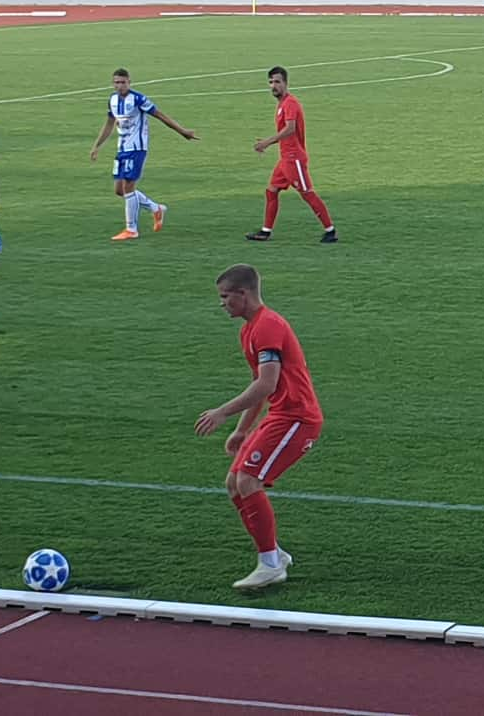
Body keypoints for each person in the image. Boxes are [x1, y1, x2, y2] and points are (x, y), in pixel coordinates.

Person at [196, 264, 324, 590]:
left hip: (298, 418)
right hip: (281, 415)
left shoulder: (268, 326)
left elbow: (267, 384)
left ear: (243, 294)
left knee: (248, 480)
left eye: (225, 296)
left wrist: (223, 412)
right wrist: (241, 430)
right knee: (234, 483)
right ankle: (274, 555)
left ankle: (270, 563)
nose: (221, 303)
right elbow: (259, 384)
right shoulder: (249, 330)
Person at [89, 68, 199, 241]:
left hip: (137, 148)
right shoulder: (112, 100)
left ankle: (131, 229)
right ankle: (156, 208)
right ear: (113, 83)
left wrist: (182, 131)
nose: (120, 86)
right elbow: (109, 123)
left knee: (128, 187)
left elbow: (160, 115)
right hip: (122, 148)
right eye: (116, 82)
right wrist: (97, 146)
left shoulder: (138, 99)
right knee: (119, 190)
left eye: (123, 82)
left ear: (129, 82)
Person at [248, 66, 337, 243]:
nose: (274, 86)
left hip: (294, 158)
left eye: (277, 82)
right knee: (271, 191)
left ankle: (330, 230)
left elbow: (290, 129)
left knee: (307, 193)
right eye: (271, 82)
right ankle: (266, 231)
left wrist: (267, 142)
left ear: (286, 83)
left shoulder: (290, 103)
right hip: (285, 159)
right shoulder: (282, 103)